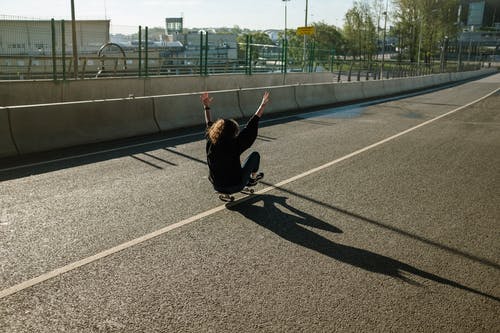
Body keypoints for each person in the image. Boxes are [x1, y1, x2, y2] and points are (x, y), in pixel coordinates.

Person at [202, 91, 270, 194]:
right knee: (255, 155)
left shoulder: (211, 140)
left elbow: (209, 123)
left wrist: (206, 106)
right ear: (233, 132)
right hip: (235, 186)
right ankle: (252, 179)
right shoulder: (235, 143)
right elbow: (251, 125)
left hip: (217, 185)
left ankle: (243, 181)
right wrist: (262, 106)